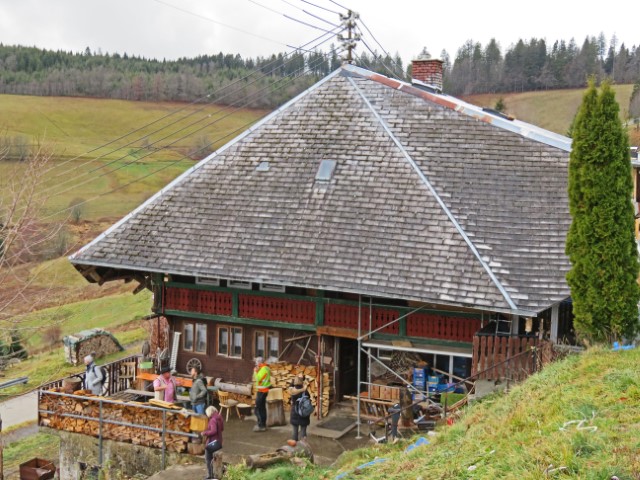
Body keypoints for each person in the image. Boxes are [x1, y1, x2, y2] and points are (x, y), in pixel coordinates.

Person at [202, 405, 224, 480]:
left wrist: (205, 433)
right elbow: (222, 429)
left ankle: (210, 475)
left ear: (210, 412)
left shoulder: (212, 420)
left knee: (208, 458)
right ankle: (219, 472)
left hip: (212, 441)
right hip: (219, 441)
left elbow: (213, 431)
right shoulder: (219, 417)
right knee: (216, 458)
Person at [288, 373, 311, 441]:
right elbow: (309, 398)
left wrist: (295, 378)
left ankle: (295, 446)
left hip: (295, 412)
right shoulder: (305, 391)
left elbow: (290, 386)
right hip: (303, 413)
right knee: (303, 431)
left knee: (295, 431)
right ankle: (303, 446)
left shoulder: (293, 391)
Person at [252, 356, 271, 432]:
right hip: (264, 390)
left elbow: (257, 378)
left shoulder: (262, 370)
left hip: (262, 391)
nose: (256, 364)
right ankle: (263, 424)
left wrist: (255, 371)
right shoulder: (266, 368)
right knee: (262, 408)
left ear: (260, 362)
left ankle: (261, 425)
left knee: (258, 409)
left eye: (256, 362)